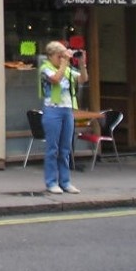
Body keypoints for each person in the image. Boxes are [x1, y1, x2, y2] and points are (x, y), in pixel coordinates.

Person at [39, 40, 88, 195]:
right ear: (51, 55)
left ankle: (65, 182)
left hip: (67, 111)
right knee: (53, 149)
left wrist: (82, 64)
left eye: (63, 55)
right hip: (52, 111)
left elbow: (83, 79)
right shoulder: (45, 68)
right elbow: (55, 79)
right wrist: (65, 62)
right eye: (59, 56)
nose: (61, 58)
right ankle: (51, 182)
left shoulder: (66, 69)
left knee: (65, 149)